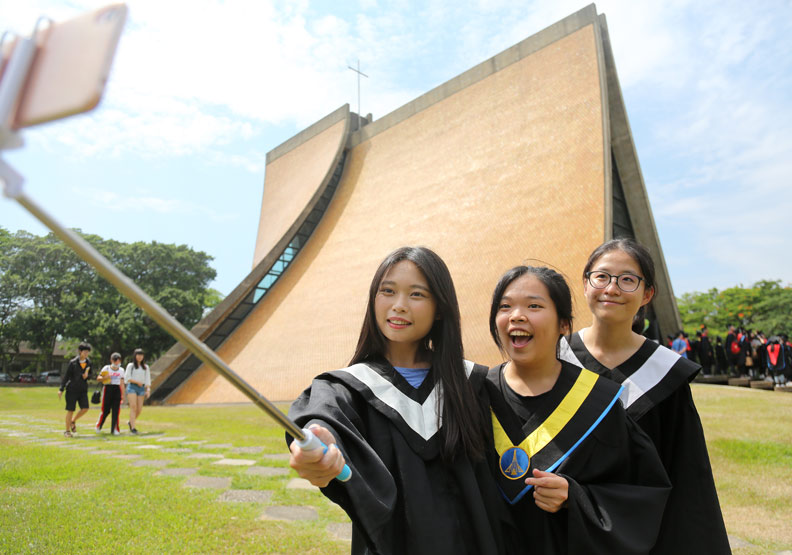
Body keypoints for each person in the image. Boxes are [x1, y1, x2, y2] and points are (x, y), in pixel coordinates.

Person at [287, 246, 514, 555]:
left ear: (440, 308)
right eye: (388, 291)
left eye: (416, 294)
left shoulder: (472, 383)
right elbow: (324, 417)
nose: (399, 306)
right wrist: (317, 443)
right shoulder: (351, 387)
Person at [559, 238, 730, 554]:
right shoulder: (555, 360)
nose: (611, 288)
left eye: (627, 280)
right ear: (585, 284)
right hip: (561, 532)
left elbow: (688, 478)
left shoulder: (665, 374)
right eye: (601, 277)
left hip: (645, 537)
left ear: (647, 294)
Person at [485, 265, 670, 554]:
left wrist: (577, 498)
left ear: (563, 324)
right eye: (505, 306)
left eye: (534, 306)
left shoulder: (598, 402)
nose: (516, 316)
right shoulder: (476, 395)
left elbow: (642, 494)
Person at [58, 342, 93, 437]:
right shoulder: (73, 362)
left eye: (88, 352)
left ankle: (73, 421)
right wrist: (61, 389)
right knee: (70, 410)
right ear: (80, 351)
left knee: (85, 408)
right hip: (72, 389)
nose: (86, 354)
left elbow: (91, 375)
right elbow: (66, 376)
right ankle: (67, 431)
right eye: (85, 352)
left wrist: (87, 376)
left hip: (83, 390)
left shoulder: (89, 363)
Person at [95, 352, 125, 435]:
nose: (117, 362)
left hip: (117, 389)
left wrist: (123, 395)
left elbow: (122, 383)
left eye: (118, 361)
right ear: (111, 360)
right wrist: (105, 377)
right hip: (108, 388)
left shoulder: (121, 370)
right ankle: (99, 425)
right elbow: (98, 378)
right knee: (106, 410)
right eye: (115, 360)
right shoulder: (106, 368)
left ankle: (115, 429)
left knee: (116, 411)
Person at [125, 348, 150, 434]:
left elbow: (147, 379)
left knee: (139, 409)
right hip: (132, 387)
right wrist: (137, 382)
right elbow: (127, 378)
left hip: (141, 388)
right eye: (138, 355)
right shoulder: (131, 366)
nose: (139, 357)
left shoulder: (145, 367)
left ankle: (131, 422)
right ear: (135, 356)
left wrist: (148, 389)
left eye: (141, 355)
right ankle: (133, 428)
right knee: (133, 406)